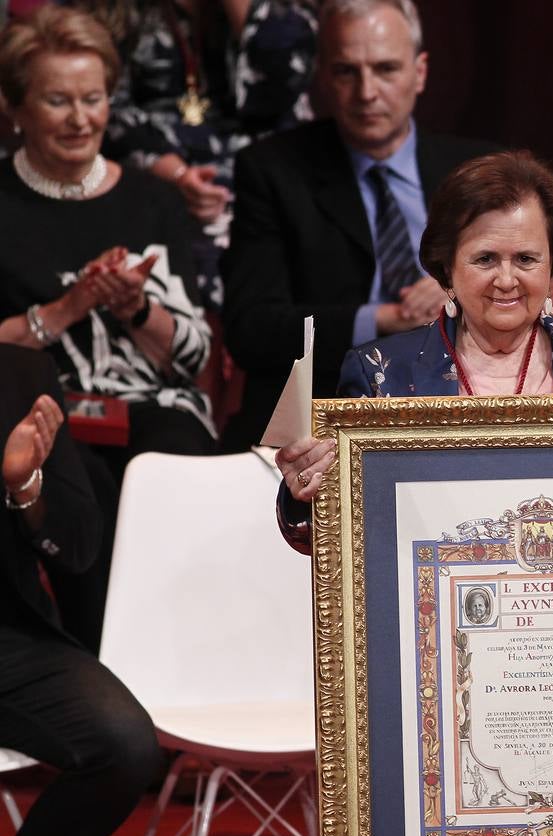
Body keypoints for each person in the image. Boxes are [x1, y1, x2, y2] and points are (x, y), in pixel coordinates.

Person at [272, 150, 553, 548]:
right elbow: (328, 538)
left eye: (526, 259)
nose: (506, 280)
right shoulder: (383, 372)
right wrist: (305, 489)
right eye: (485, 259)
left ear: (552, 264)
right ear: (447, 267)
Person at [0, 5, 215, 650]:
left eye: (92, 98)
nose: (79, 118)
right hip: (45, 408)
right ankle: (102, 670)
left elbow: (195, 353)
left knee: (184, 458)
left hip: (154, 403)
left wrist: (133, 308)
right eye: (57, 100)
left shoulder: (152, 199)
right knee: (80, 486)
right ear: (15, 107)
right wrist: (71, 306)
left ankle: (193, 661)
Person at [220, 0, 495, 451]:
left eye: (386, 69)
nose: (367, 92)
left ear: (419, 72)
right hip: (323, 411)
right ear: (323, 76)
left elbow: (535, 286)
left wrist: (457, 290)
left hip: (463, 398)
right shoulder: (273, 171)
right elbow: (252, 328)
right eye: (348, 71)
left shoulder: (478, 171)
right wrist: (387, 320)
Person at [0, 345, 161, 836]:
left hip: (10, 638)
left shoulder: (22, 375)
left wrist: (26, 487)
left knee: (126, 744)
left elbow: (78, 545)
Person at [84, 0, 319, 311]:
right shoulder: (111, 11)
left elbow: (283, 86)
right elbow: (105, 104)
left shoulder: (283, 10)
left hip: (265, 178)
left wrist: (241, 10)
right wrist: (177, 176)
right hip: (157, 179)